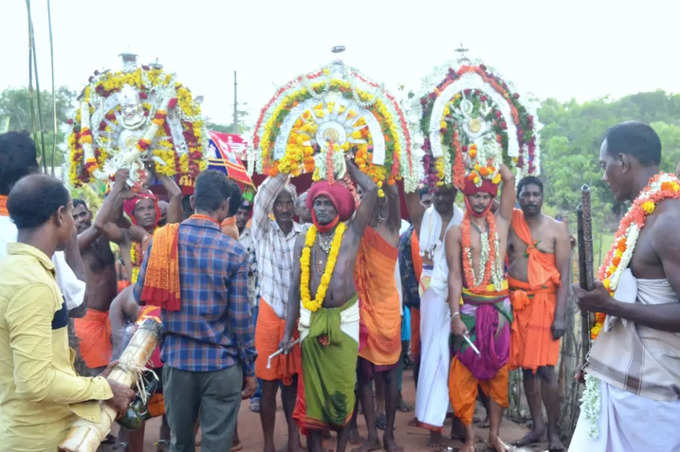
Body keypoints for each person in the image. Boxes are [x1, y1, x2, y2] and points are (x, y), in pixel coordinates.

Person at [0, 173, 135, 450]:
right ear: (60, 216)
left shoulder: (15, 271)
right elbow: (35, 383)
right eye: (73, 214)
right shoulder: (33, 284)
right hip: (36, 438)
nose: (75, 224)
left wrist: (93, 381)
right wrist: (103, 388)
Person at [569, 122, 680, 451]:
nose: (604, 177)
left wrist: (611, 307)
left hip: (650, 398)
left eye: (605, 166)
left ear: (624, 162)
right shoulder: (645, 215)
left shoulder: (669, 220)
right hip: (622, 385)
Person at [131, 170, 256, 451]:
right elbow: (241, 320)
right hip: (221, 364)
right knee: (216, 444)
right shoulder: (234, 252)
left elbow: (140, 295)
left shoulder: (162, 240)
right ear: (224, 206)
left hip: (178, 362)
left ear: (194, 200)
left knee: (180, 442)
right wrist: (249, 368)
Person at [280, 157, 378, 452]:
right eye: (318, 203)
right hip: (312, 319)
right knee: (312, 393)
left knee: (343, 390)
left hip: (345, 319)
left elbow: (372, 192)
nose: (322, 209)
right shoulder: (302, 240)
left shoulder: (350, 234)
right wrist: (287, 333)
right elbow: (295, 287)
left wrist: (350, 166)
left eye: (328, 204)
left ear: (340, 208)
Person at [445, 165, 515, 452]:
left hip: (499, 309)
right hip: (471, 309)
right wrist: (455, 315)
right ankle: (470, 439)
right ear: (466, 197)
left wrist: (486, 151)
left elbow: (509, 178)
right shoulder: (454, 232)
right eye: (475, 196)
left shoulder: (501, 222)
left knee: (499, 371)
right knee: (464, 374)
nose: (480, 202)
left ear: (492, 198)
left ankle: (494, 436)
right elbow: (454, 276)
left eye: (486, 196)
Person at [506, 176, 570, 450]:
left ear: (542, 197)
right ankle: (537, 428)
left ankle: (554, 433)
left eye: (536, 194)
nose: (531, 199)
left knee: (546, 371)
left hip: (546, 305)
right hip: (519, 304)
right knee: (526, 371)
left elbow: (565, 276)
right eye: (526, 194)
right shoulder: (510, 222)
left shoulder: (557, 230)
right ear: (518, 196)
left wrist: (561, 316)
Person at [405, 184, 464, 446]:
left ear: (455, 193)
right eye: (436, 193)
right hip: (431, 298)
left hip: (463, 295)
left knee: (460, 358)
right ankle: (433, 427)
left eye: (446, 193)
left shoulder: (465, 218)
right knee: (434, 356)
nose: (441, 198)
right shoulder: (423, 217)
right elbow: (407, 192)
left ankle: (462, 423)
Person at [251, 173, 305, 452]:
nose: (284, 209)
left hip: (297, 319)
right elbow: (261, 197)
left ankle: (294, 441)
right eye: (279, 203)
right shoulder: (261, 232)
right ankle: (269, 444)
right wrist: (285, 167)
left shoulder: (304, 232)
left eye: (288, 203)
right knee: (268, 385)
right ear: (272, 207)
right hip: (269, 315)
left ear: (295, 206)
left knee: (293, 384)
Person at [353, 181, 403, 452]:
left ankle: (390, 435)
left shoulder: (392, 227)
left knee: (390, 379)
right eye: (361, 197)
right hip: (361, 312)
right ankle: (371, 434)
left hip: (387, 313)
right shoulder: (353, 229)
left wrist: (383, 171)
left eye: (371, 196)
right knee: (363, 377)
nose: (366, 201)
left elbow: (394, 193)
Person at [71, 171, 133, 376]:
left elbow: (115, 219)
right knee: (100, 376)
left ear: (89, 212)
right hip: (89, 319)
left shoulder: (103, 235)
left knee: (124, 370)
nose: (80, 220)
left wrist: (122, 186)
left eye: (83, 214)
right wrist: (116, 189)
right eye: (75, 217)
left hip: (113, 314)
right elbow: (99, 224)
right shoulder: (75, 244)